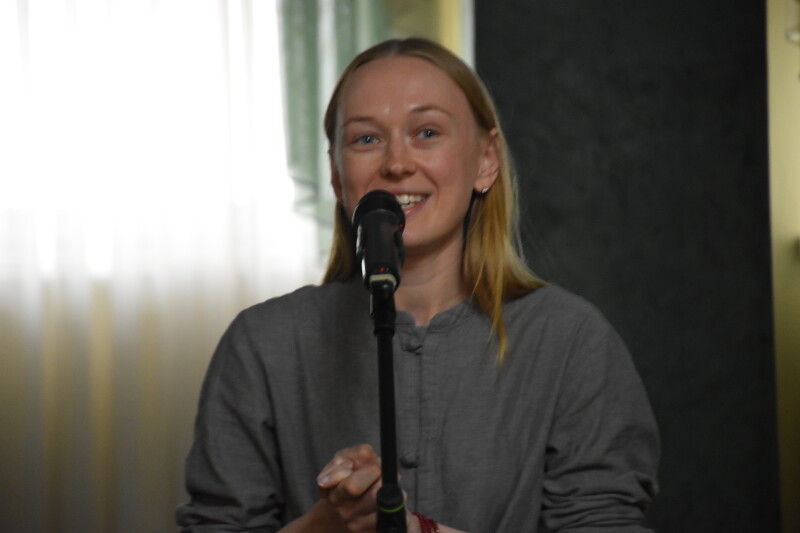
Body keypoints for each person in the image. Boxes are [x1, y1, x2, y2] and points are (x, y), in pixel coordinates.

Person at [176, 38, 659, 532]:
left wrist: (417, 530)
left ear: (486, 160)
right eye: (366, 139)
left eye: (427, 132)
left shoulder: (572, 341)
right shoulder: (261, 343)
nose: (397, 163)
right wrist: (325, 525)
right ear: (337, 175)